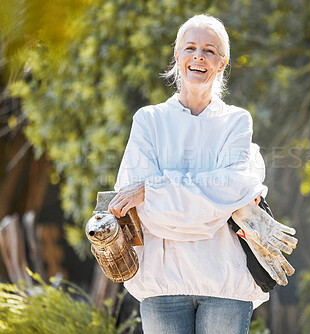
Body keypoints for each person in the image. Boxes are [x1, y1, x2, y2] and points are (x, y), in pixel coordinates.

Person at [108, 14, 270, 334]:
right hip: (162, 283)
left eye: (210, 51)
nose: (199, 56)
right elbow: (143, 211)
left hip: (226, 284)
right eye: (190, 48)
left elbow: (233, 188)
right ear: (177, 57)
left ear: (222, 64)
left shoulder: (237, 122)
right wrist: (210, 203)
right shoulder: (148, 121)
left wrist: (153, 190)